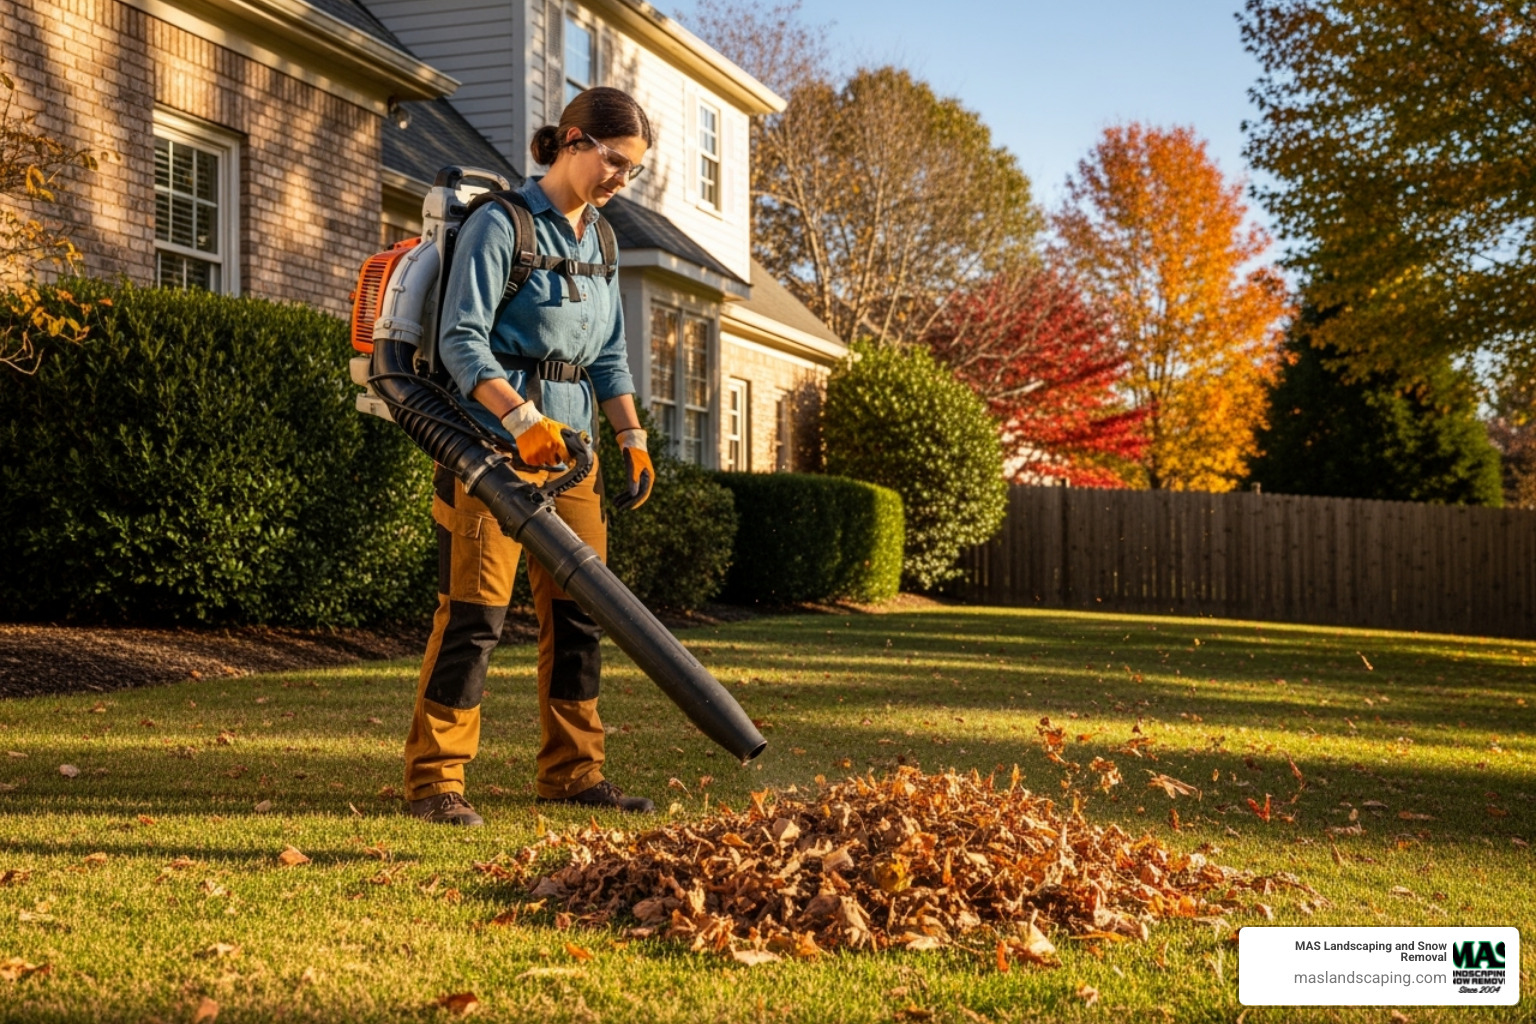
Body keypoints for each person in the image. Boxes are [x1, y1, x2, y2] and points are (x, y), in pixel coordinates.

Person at [403, 87, 657, 825]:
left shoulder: (601, 240)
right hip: (490, 447)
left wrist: (631, 438)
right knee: (475, 615)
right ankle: (436, 781)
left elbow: (608, 352)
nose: (620, 180)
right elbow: (460, 339)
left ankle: (575, 773)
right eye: (614, 162)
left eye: (633, 171)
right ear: (573, 142)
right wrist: (519, 419)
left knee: (581, 615)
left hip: (573, 454)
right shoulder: (500, 224)